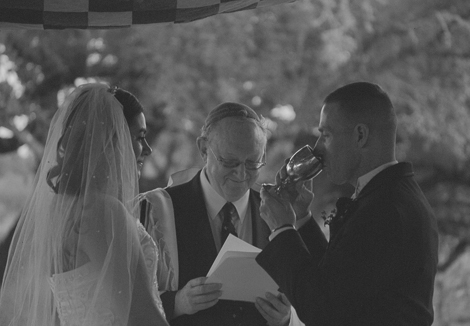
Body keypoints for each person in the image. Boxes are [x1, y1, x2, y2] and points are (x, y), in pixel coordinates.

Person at [256, 82, 439, 326]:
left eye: (326, 135)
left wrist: (281, 229)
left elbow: (324, 310)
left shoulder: (385, 210)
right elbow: (339, 283)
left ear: (360, 135)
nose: (318, 148)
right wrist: (302, 218)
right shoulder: (388, 196)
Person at [139, 102, 324, 326]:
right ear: (204, 149)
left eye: (253, 162)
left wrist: (286, 318)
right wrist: (176, 303)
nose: (241, 173)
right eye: (230, 161)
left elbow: (317, 301)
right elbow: (120, 300)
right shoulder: (155, 210)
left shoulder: (278, 215)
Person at [0, 83, 168, 326]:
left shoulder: (64, 209)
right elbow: (140, 316)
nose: (148, 150)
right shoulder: (103, 211)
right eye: (140, 137)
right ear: (112, 139)